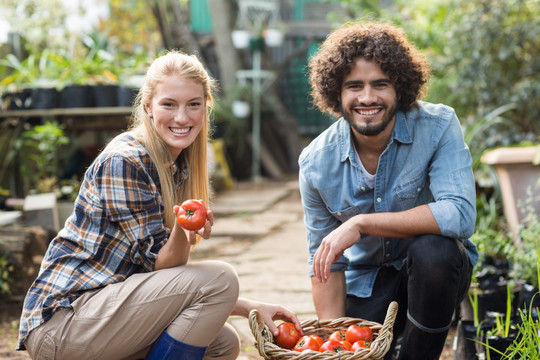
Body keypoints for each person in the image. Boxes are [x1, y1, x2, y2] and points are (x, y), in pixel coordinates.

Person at [17, 50, 302, 360]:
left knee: (222, 343)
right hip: (63, 326)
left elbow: (158, 282)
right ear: (148, 107)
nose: (182, 117)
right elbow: (163, 266)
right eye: (169, 104)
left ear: (206, 108)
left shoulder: (174, 165)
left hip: (101, 313)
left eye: (194, 104)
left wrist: (248, 307)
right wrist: (182, 227)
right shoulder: (125, 161)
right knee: (221, 277)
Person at [298, 21, 478, 360]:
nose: (367, 98)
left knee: (435, 251)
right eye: (354, 86)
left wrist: (361, 223)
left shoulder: (438, 127)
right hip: (366, 284)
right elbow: (324, 262)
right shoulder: (315, 164)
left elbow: (460, 213)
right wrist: (335, 342)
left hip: (433, 276)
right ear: (336, 93)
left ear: (400, 88)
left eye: (380, 84)